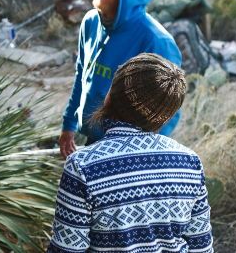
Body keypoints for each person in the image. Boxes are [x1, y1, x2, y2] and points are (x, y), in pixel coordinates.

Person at [47, 53, 213, 252]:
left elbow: (67, 249)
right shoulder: (190, 163)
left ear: (110, 96)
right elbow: (201, 246)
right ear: (164, 116)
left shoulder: (82, 167)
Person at [59, 0, 183, 156]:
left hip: (131, 151)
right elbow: (82, 75)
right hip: (93, 140)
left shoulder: (156, 41)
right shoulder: (91, 22)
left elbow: (168, 111)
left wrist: (138, 154)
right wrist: (69, 124)